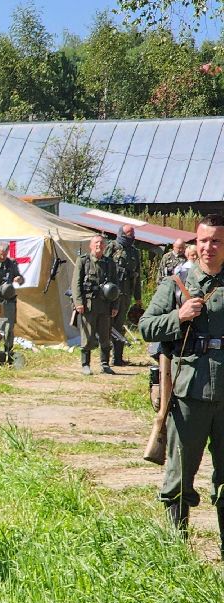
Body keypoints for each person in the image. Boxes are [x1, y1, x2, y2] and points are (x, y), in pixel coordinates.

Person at [139, 214, 224, 543]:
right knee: (179, 476)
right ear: (195, 242)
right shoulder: (177, 282)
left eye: (216, 241)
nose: (208, 247)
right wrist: (179, 316)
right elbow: (147, 327)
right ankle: (177, 551)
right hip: (189, 392)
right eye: (203, 240)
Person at [73, 234, 120, 376]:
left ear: (105, 246)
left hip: (105, 305)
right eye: (96, 243)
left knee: (105, 336)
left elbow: (115, 286)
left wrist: (115, 305)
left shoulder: (109, 263)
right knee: (87, 336)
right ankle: (85, 364)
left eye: (101, 243)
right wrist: (78, 303)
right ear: (91, 245)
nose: (99, 245)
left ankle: (105, 364)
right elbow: (76, 284)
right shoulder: (83, 261)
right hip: (88, 305)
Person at [106, 225, 143, 366]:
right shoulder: (112, 247)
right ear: (122, 233)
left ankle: (118, 358)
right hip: (111, 293)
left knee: (120, 324)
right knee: (108, 325)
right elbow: (104, 267)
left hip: (126, 294)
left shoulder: (134, 252)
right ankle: (105, 357)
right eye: (129, 233)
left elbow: (137, 276)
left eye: (133, 234)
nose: (132, 236)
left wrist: (138, 297)